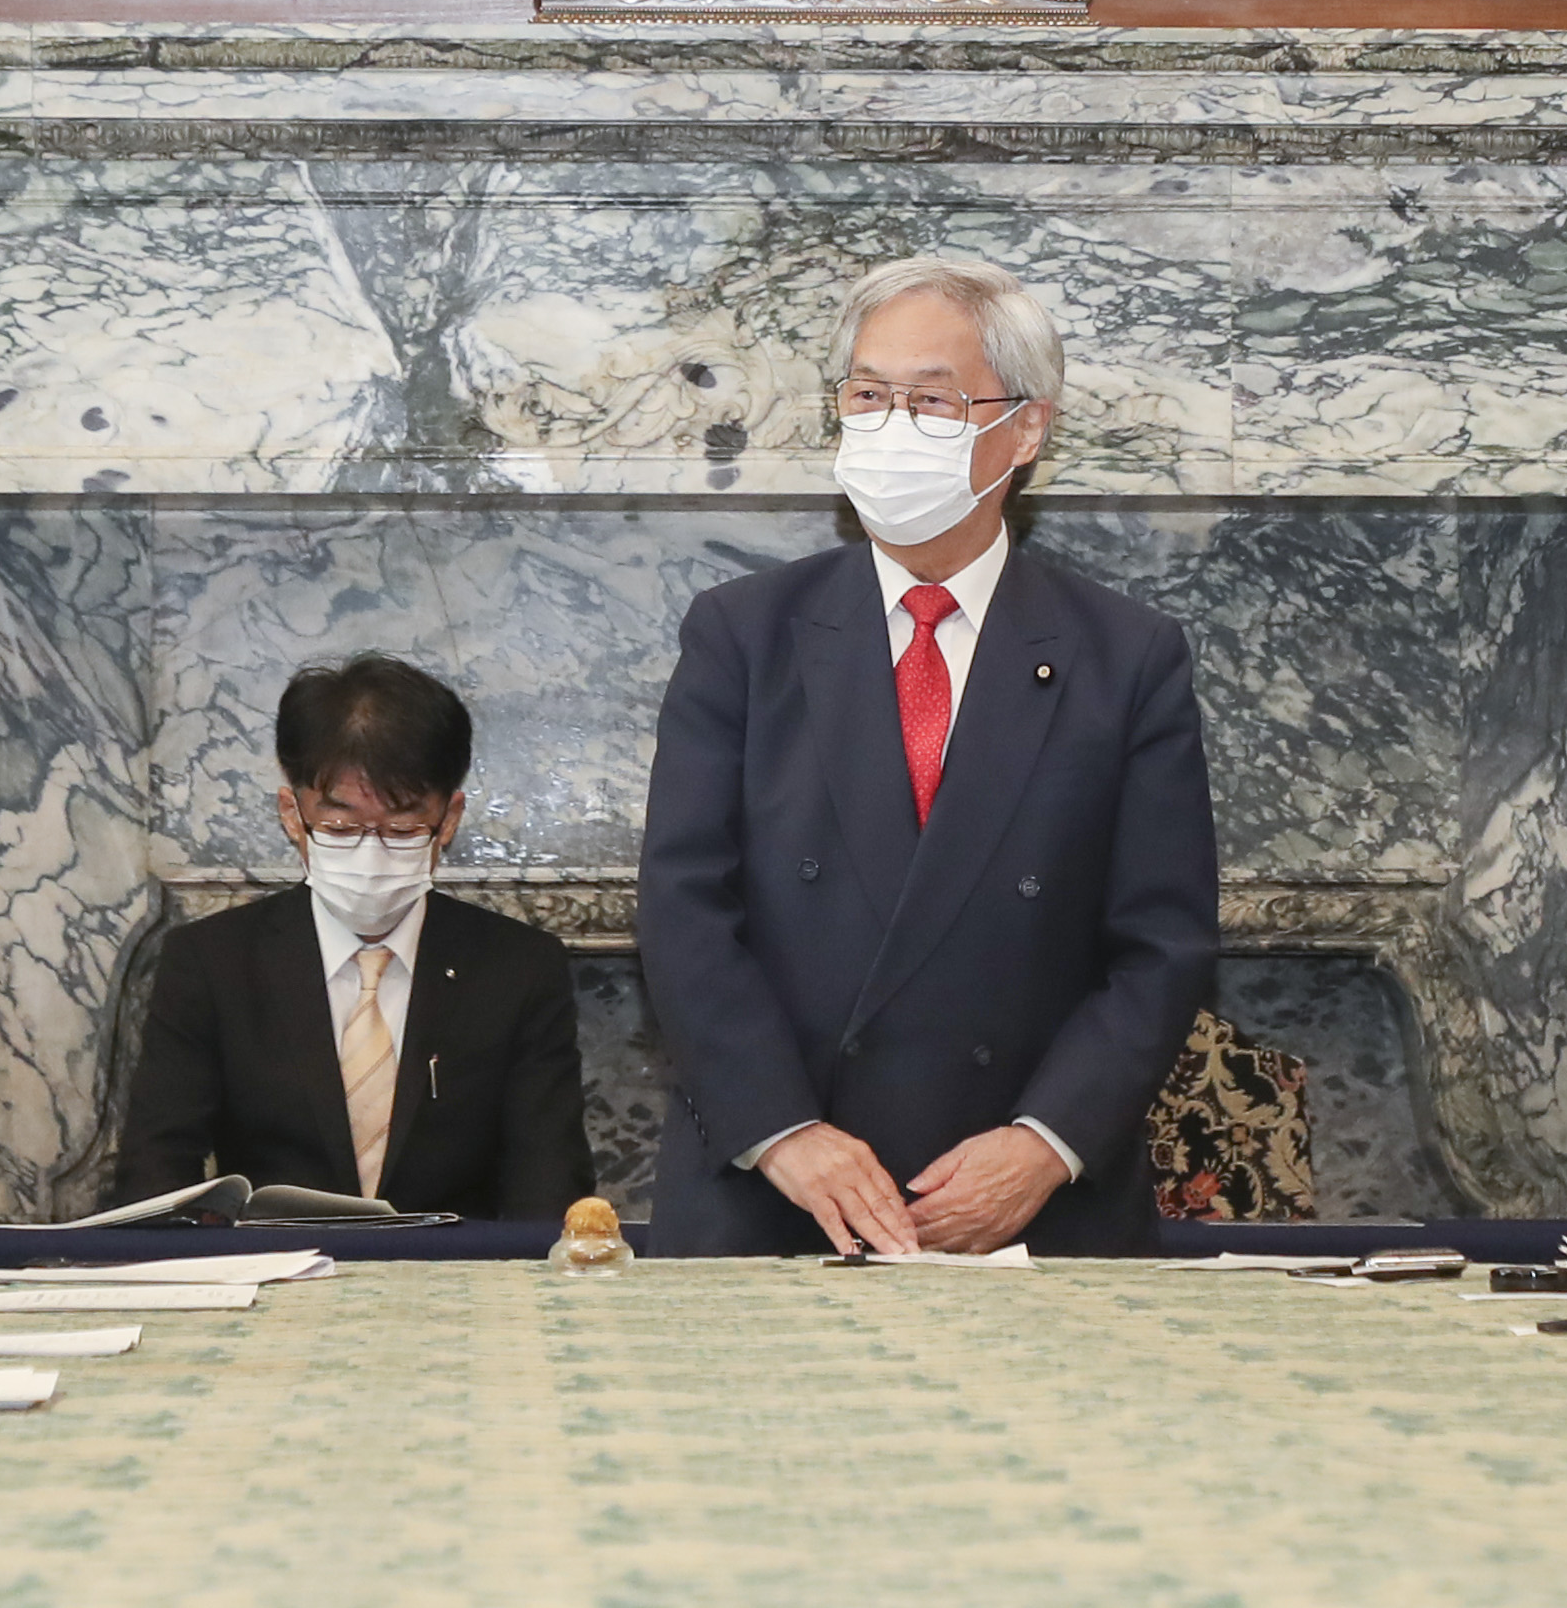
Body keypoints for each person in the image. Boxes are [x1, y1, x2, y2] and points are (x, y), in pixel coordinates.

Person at [634, 254, 1218, 1255]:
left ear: (1024, 428)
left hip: (1027, 1214)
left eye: (932, 402)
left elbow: (1161, 945)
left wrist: (1043, 1145)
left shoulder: (1125, 657)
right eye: (867, 396)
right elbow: (683, 908)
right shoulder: (742, 634)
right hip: (772, 1200)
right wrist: (783, 1131)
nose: (890, 427)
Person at [111, 653, 594, 1218]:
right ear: (291, 814)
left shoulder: (519, 968)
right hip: (274, 1266)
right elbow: (156, 1172)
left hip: (458, 1269)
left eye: (403, 828)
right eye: (340, 828)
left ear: (449, 819)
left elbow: (548, 1184)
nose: (370, 854)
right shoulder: (212, 962)